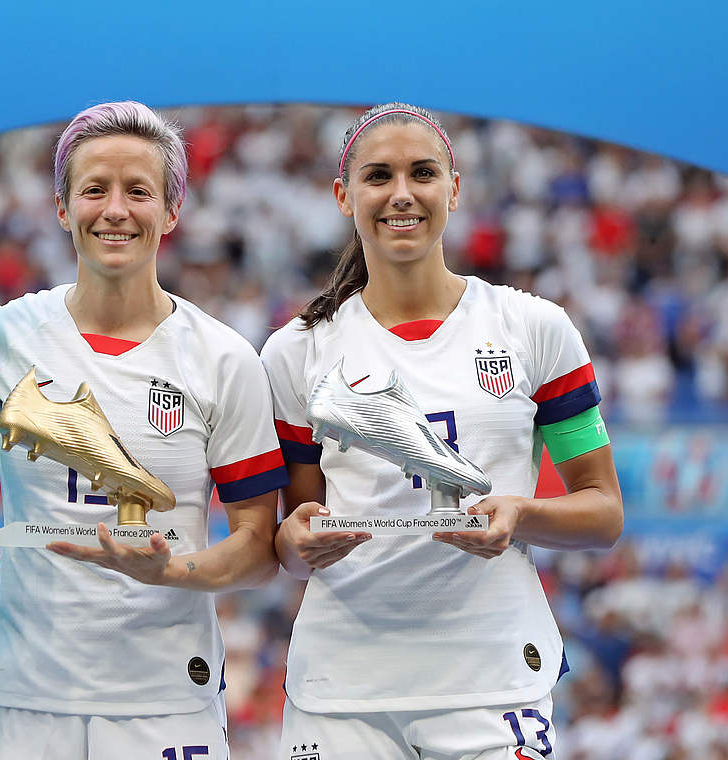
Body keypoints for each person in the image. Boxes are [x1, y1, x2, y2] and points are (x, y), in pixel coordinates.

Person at [260, 102, 623, 760]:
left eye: (422, 173)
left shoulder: (535, 329)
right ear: (344, 196)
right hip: (344, 690)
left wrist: (520, 512)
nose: (402, 194)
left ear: (454, 189)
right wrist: (295, 540)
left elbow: (602, 512)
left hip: (492, 681)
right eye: (379, 176)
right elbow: (291, 535)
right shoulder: (295, 352)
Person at [0, 101, 287, 760]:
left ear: (172, 210)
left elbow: (259, 548)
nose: (115, 209)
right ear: (62, 208)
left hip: (166, 700)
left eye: (138, 191)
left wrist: (174, 570)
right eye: (94, 189)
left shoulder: (223, 359)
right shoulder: (2, 338)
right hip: (25, 699)